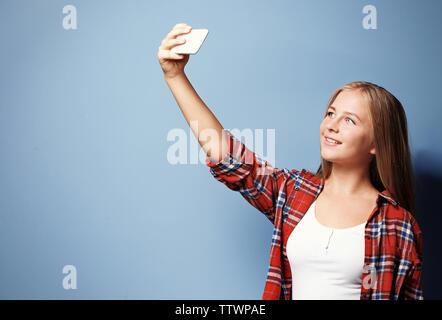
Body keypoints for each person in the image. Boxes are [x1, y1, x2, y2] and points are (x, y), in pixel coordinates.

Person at [157, 23, 423, 300]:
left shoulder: (398, 224)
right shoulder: (293, 191)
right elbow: (224, 152)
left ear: (376, 144)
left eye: (349, 120)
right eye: (331, 113)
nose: (331, 125)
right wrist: (175, 76)